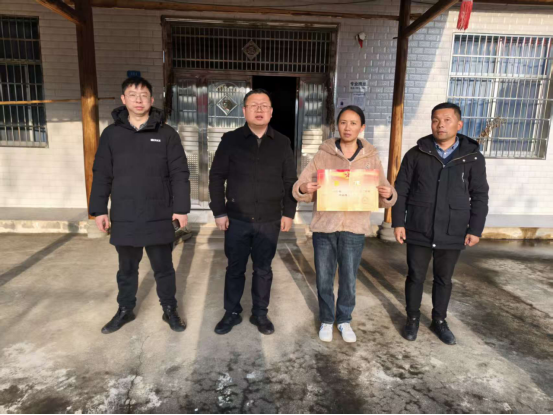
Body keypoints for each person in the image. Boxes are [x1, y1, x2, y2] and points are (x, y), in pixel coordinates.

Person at [89, 77, 190, 334]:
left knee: (163, 268)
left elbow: (179, 173)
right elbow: (102, 173)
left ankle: (169, 309)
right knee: (127, 269)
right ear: (124, 99)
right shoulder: (111, 134)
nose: (138, 99)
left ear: (151, 100)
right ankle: (125, 309)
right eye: (133, 95)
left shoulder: (166, 134)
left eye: (143, 95)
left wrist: (181, 209)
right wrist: (99, 210)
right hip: (125, 213)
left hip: (159, 212)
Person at [293, 106, 397, 343]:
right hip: (324, 227)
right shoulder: (323, 154)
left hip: (354, 228)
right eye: (343, 122)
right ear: (337, 125)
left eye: (353, 123)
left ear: (362, 127)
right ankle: (326, 319)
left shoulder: (370, 157)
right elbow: (300, 186)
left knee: (349, 279)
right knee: (324, 278)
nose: (347, 127)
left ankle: (344, 319)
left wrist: (388, 193)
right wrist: (304, 188)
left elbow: (385, 191)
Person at [392, 102, 489, 345]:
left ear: (459, 124)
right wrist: (398, 222)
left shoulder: (472, 157)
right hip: (419, 225)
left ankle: (439, 320)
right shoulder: (416, 154)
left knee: (444, 278)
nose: (440, 125)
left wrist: (475, 229)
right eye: (436, 120)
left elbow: (479, 195)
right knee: (415, 276)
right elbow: (401, 190)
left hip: (453, 228)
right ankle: (412, 318)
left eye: (447, 120)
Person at [209, 89, 298, 336]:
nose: (259, 110)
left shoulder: (282, 142)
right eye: (254, 105)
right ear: (244, 110)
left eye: (264, 105)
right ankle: (231, 312)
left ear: (271, 111)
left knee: (263, 269)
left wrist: (289, 213)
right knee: (235, 268)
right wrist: (219, 212)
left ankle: (260, 313)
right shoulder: (230, 140)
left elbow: (290, 180)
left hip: (270, 219)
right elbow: (216, 177)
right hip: (236, 218)